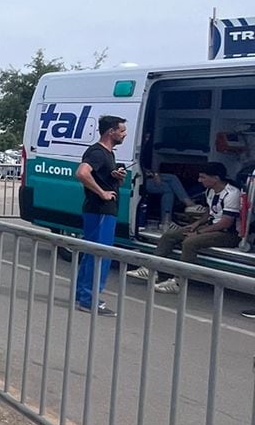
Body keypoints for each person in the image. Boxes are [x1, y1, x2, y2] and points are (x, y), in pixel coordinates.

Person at [132, 162, 242, 294]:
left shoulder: (232, 194)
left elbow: (225, 223)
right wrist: (196, 224)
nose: (199, 180)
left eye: (203, 177)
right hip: (211, 227)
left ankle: (179, 281)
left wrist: (199, 232)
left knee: (190, 242)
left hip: (228, 234)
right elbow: (209, 211)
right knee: (170, 235)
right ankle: (153, 270)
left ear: (215, 178)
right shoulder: (210, 190)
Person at [73, 114, 127, 315]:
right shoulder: (97, 152)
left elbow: (99, 175)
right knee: (100, 255)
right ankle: (89, 299)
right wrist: (102, 192)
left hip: (97, 210)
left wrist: (115, 177)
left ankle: (82, 295)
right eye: (121, 130)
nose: (124, 134)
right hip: (101, 210)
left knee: (90, 252)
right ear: (110, 132)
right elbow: (82, 173)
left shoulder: (108, 154)